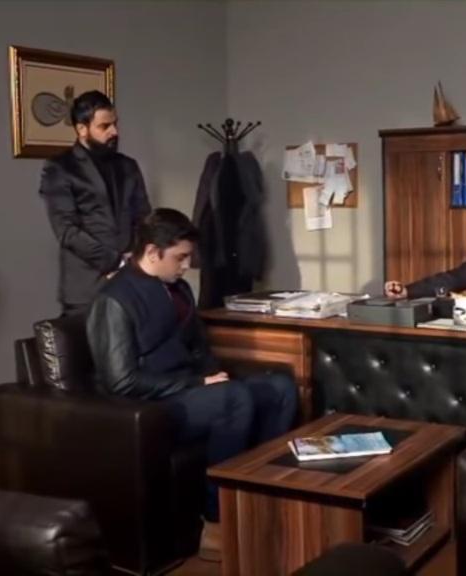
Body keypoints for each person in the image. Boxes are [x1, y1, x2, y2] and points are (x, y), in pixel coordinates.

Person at [85, 208, 297, 561]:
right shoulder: (114, 300)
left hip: (191, 390)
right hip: (152, 407)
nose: (187, 266)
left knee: (280, 388)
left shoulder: (179, 288)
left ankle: (265, 496)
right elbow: (121, 381)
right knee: (233, 399)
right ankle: (216, 523)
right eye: (180, 258)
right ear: (152, 252)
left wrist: (214, 375)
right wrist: (199, 382)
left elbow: (199, 347)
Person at [39, 90, 151, 316]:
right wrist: (115, 262)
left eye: (115, 124)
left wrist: (134, 262)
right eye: (104, 126)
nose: (114, 132)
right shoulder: (60, 168)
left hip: (131, 282)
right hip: (87, 287)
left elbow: (144, 218)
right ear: (82, 129)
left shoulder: (128, 166)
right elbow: (67, 231)